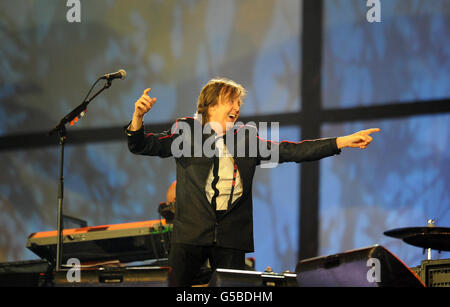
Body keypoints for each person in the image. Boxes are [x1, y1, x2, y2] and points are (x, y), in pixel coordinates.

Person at [124, 78, 380, 286]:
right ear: (210, 106)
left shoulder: (247, 141)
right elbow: (142, 145)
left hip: (231, 236)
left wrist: (341, 142)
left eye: (238, 103)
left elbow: (293, 151)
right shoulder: (186, 132)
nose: (236, 107)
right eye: (230, 101)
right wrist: (137, 118)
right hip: (190, 234)